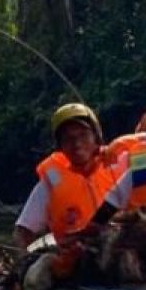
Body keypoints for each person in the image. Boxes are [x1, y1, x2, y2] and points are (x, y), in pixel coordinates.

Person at [13, 103, 118, 249]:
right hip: (75, 256)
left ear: (96, 136)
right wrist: (23, 262)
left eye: (83, 134)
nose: (77, 143)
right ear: (60, 145)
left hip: (119, 247)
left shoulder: (119, 164)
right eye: (68, 138)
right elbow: (23, 231)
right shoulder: (52, 180)